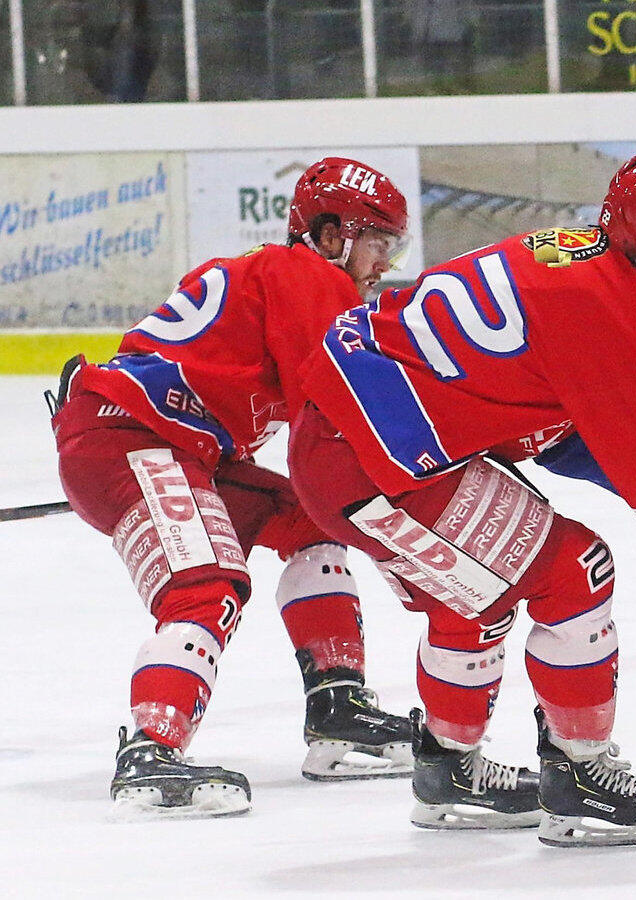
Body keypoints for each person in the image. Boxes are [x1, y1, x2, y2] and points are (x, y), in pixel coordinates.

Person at [287, 148, 636, 846]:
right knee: (576, 570)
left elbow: (547, 427)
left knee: (478, 591)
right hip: (375, 462)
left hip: (353, 441)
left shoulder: (569, 255)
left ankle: (448, 772)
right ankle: (580, 776)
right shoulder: (620, 314)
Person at [51, 157, 418, 819]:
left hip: (159, 439)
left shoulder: (271, 273)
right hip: (133, 435)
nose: (384, 262)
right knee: (206, 584)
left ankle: (337, 707)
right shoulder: (312, 277)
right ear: (331, 236)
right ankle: (151, 750)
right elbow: (333, 413)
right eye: (375, 242)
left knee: (311, 521)